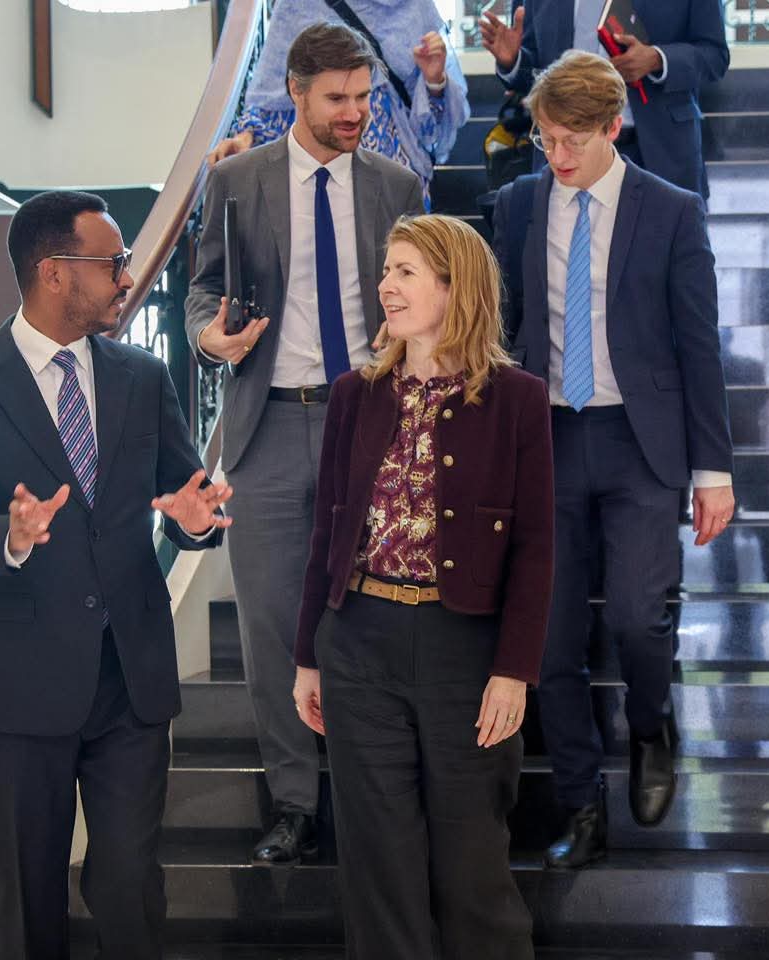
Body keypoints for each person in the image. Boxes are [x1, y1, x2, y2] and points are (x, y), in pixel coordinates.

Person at [0, 190, 230, 959]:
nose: (126, 278)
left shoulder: (143, 376)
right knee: (27, 906)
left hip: (130, 682)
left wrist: (193, 520)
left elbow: (184, 498)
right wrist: (5, 538)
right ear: (52, 272)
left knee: (131, 893)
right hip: (18, 690)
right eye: (111, 263)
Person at [185, 21, 425, 865]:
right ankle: (294, 802)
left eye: (363, 97)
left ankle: (370, 794)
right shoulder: (237, 180)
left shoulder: (397, 187)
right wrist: (210, 338)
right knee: (270, 623)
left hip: (372, 426)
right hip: (269, 425)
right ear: (295, 92)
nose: (355, 112)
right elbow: (202, 289)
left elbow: (427, 296)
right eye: (337, 99)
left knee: (372, 617)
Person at [492, 51, 735, 870]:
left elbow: (699, 345)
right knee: (550, 637)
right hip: (547, 439)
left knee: (635, 614)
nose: (557, 156)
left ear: (613, 126)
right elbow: (503, 328)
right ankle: (579, 803)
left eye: (573, 140)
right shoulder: (518, 206)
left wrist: (714, 471)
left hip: (640, 440)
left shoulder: (671, 211)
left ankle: (651, 723)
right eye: (546, 138)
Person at [292, 213, 553, 959]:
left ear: (453, 286)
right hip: (358, 644)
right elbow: (327, 534)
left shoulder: (517, 398)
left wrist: (514, 670)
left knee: (472, 867)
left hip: (463, 652)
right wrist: (308, 656)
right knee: (379, 870)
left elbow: (536, 548)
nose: (386, 286)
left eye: (405, 272)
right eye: (387, 271)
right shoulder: (354, 393)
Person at [208, 0, 469, 202]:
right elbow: (276, 95)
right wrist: (246, 137)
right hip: (318, 176)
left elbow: (433, 131)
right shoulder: (297, 6)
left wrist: (434, 80)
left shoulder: (413, 6)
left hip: (396, 182)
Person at [480, 0, 729, 196]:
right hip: (563, 154)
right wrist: (513, 61)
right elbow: (536, 73)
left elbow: (714, 54)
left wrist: (656, 59)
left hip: (656, 152)